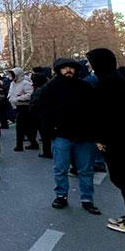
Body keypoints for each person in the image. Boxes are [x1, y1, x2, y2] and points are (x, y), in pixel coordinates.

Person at [86, 49, 125, 235]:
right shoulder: (115, 82)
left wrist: (103, 138)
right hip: (120, 137)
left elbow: (109, 116)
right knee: (121, 177)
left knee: (122, 178)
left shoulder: (109, 84)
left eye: (91, 62)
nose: (88, 66)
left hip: (115, 139)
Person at [38, 58, 100, 215]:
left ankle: (87, 199)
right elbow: (42, 109)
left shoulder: (85, 86)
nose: (68, 71)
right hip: (61, 134)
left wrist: (95, 132)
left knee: (85, 170)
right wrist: (49, 131)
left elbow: (95, 111)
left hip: (84, 136)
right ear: (59, 70)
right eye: (65, 68)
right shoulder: (51, 87)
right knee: (60, 168)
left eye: (71, 68)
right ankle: (61, 196)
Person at [8, 67, 36, 152]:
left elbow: (30, 94)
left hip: (24, 106)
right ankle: (33, 143)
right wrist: (11, 99)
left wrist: (19, 98)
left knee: (20, 127)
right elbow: (10, 93)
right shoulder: (12, 83)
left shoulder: (25, 83)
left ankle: (19, 145)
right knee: (25, 128)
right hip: (17, 106)